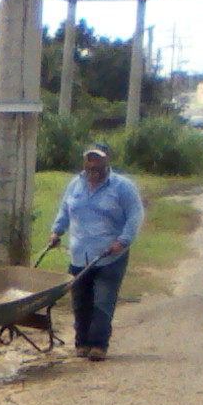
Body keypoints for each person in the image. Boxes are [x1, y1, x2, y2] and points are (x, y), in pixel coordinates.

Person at [47, 141, 144, 361]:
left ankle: (99, 345)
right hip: (79, 254)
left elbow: (135, 216)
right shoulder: (76, 185)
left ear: (106, 160)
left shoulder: (122, 187)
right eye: (89, 159)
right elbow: (65, 210)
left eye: (97, 159)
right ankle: (82, 343)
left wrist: (122, 241)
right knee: (80, 301)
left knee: (102, 301)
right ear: (85, 161)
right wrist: (56, 232)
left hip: (109, 256)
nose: (93, 164)